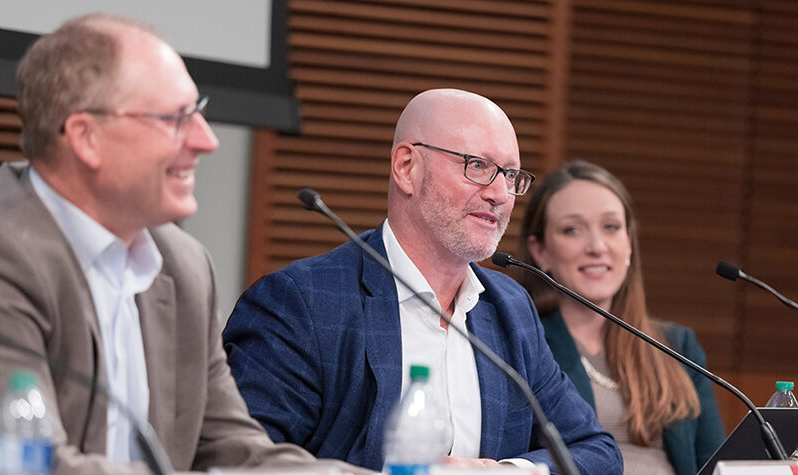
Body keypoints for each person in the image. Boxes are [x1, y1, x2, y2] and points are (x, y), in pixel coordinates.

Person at [0, 13, 365, 474]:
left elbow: (234, 448)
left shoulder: (183, 264)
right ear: (86, 137)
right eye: (175, 119)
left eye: (199, 112)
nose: (207, 140)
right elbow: (29, 467)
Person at [223, 89, 622, 473]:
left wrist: (508, 473)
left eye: (511, 175)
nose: (500, 194)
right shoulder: (302, 302)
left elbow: (595, 452)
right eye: (478, 166)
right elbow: (246, 460)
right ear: (407, 168)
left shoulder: (510, 309)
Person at [514, 160, 725, 475]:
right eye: (572, 230)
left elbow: (715, 463)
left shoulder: (677, 345)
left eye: (611, 227)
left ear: (629, 243)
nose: (597, 246)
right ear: (540, 251)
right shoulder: (523, 344)